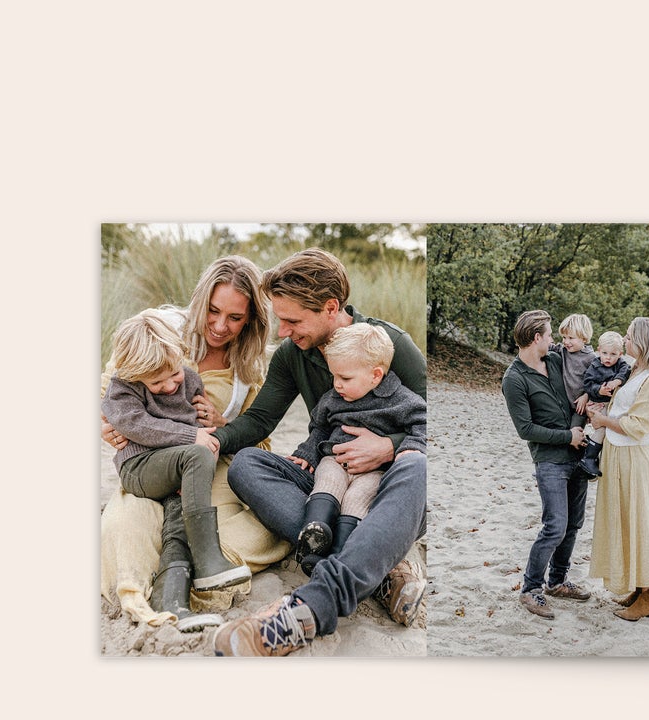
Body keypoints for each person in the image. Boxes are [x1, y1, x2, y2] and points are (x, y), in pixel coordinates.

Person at [210, 248, 428, 657]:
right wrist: (214, 439)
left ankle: (314, 604)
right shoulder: (293, 355)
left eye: (292, 321)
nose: (282, 332)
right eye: (280, 320)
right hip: (329, 478)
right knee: (247, 464)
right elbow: (260, 420)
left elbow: (431, 425)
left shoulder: (391, 345)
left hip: (386, 489)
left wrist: (388, 447)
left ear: (330, 308)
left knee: (417, 466)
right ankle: (376, 566)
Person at [101, 256, 290, 631]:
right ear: (200, 300)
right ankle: (152, 588)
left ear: (251, 319)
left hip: (207, 472)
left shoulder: (248, 369)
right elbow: (109, 393)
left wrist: (223, 425)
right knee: (123, 529)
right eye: (213, 311)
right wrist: (105, 427)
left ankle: (188, 580)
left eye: (234, 318)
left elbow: (260, 443)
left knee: (266, 528)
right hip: (149, 466)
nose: (219, 326)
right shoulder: (157, 330)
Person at [102, 312, 252, 594]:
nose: (170, 386)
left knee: (178, 519)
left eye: (174, 374)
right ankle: (208, 560)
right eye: (157, 383)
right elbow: (137, 425)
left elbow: (195, 423)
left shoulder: (190, 380)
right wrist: (192, 438)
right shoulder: (122, 387)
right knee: (197, 453)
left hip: (176, 467)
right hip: (140, 467)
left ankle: (170, 590)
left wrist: (205, 446)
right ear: (134, 376)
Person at [289, 322, 426, 575]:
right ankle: (315, 532)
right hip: (335, 459)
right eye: (334, 376)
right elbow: (319, 427)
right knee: (328, 481)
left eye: (345, 378)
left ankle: (341, 553)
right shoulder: (333, 398)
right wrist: (306, 453)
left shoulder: (401, 400)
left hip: (373, 472)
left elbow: (422, 423)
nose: (337, 384)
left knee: (357, 498)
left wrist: (410, 446)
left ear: (375, 375)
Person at [501, 309, 591, 621]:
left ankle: (557, 581)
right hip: (550, 460)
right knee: (555, 526)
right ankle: (530, 589)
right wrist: (568, 436)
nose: (554, 340)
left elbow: (582, 382)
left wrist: (578, 427)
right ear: (537, 337)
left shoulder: (555, 360)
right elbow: (525, 429)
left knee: (574, 524)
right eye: (550, 335)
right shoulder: (513, 379)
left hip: (578, 455)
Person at [587, 317, 649, 621]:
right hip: (616, 452)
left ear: (644, 341)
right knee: (623, 519)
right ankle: (639, 588)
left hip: (632, 457)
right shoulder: (633, 369)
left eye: (629, 336)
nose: (624, 341)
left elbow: (639, 425)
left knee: (637, 520)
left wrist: (603, 421)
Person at [578, 331, 632, 478]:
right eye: (605, 353)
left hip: (612, 404)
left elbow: (626, 371)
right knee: (602, 429)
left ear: (620, 354)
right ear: (598, 351)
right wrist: (599, 390)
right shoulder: (595, 365)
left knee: (610, 429)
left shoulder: (621, 364)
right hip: (598, 402)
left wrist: (617, 381)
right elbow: (587, 384)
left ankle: (593, 450)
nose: (608, 357)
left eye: (613, 354)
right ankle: (588, 458)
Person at [549, 313, 597, 431]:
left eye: (571, 338)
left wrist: (586, 396)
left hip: (579, 407)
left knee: (575, 431)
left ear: (584, 338)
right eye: (564, 337)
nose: (566, 341)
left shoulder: (591, 358)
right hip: (564, 404)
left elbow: (597, 381)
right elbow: (548, 347)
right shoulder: (563, 350)